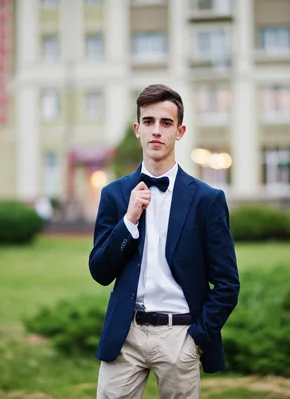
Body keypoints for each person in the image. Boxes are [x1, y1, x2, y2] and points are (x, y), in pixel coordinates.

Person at [88, 84, 240, 398]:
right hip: (125, 336)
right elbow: (100, 272)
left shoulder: (207, 200)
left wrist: (196, 339)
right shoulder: (114, 194)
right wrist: (129, 220)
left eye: (166, 123)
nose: (157, 131)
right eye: (149, 122)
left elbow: (227, 283)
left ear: (180, 131)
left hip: (180, 336)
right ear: (137, 129)